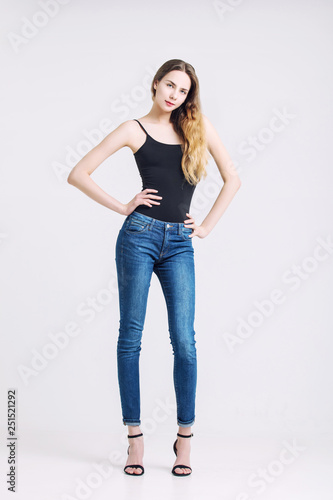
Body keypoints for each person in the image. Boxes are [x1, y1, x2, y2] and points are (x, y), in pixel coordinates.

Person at [67, 58, 241, 476]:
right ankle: (134, 440)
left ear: (188, 96)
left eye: (182, 91)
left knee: (184, 340)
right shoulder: (134, 129)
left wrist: (206, 227)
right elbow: (78, 173)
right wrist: (124, 206)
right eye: (169, 85)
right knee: (131, 336)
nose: (174, 95)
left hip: (180, 243)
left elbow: (232, 178)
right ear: (155, 84)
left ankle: (184, 440)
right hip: (138, 237)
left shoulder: (198, 130)